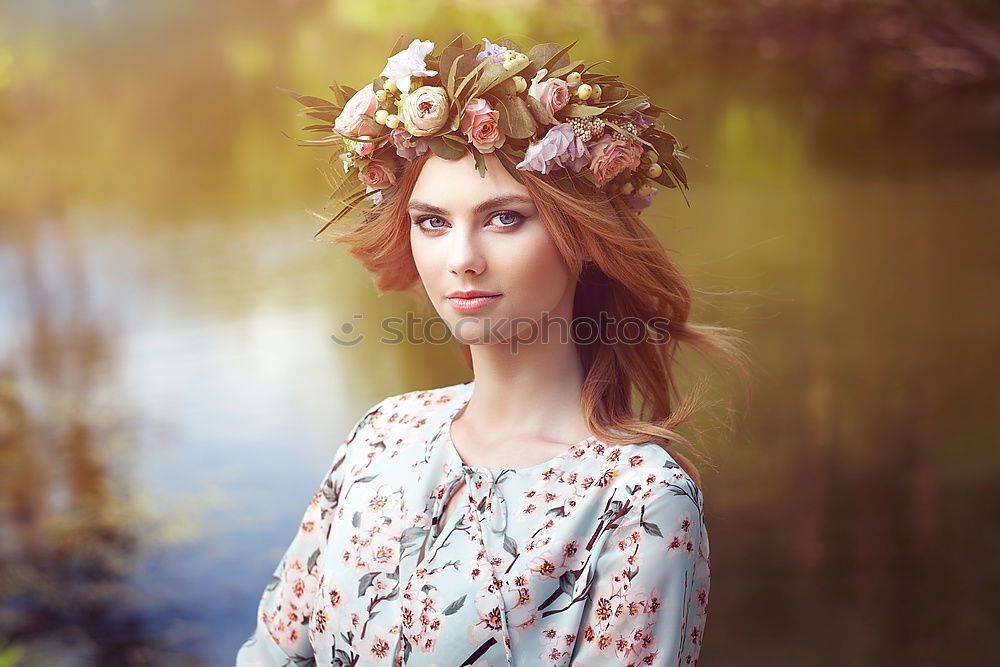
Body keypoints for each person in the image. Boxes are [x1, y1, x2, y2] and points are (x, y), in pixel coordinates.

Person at [236, 34, 748, 666]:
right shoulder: (383, 434)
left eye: (505, 218)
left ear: (580, 237)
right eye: (433, 222)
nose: (462, 260)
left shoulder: (638, 501)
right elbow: (271, 654)